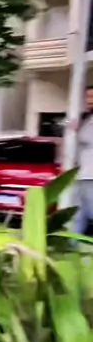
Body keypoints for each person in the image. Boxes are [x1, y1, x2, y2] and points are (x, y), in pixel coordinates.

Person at [70, 85, 93, 235]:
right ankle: (72, 243)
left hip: (91, 175)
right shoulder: (86, 118)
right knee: (78, 214)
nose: (89, 100)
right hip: (82, 173)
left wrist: (77, 131)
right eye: (88, 96)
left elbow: (88, 138)